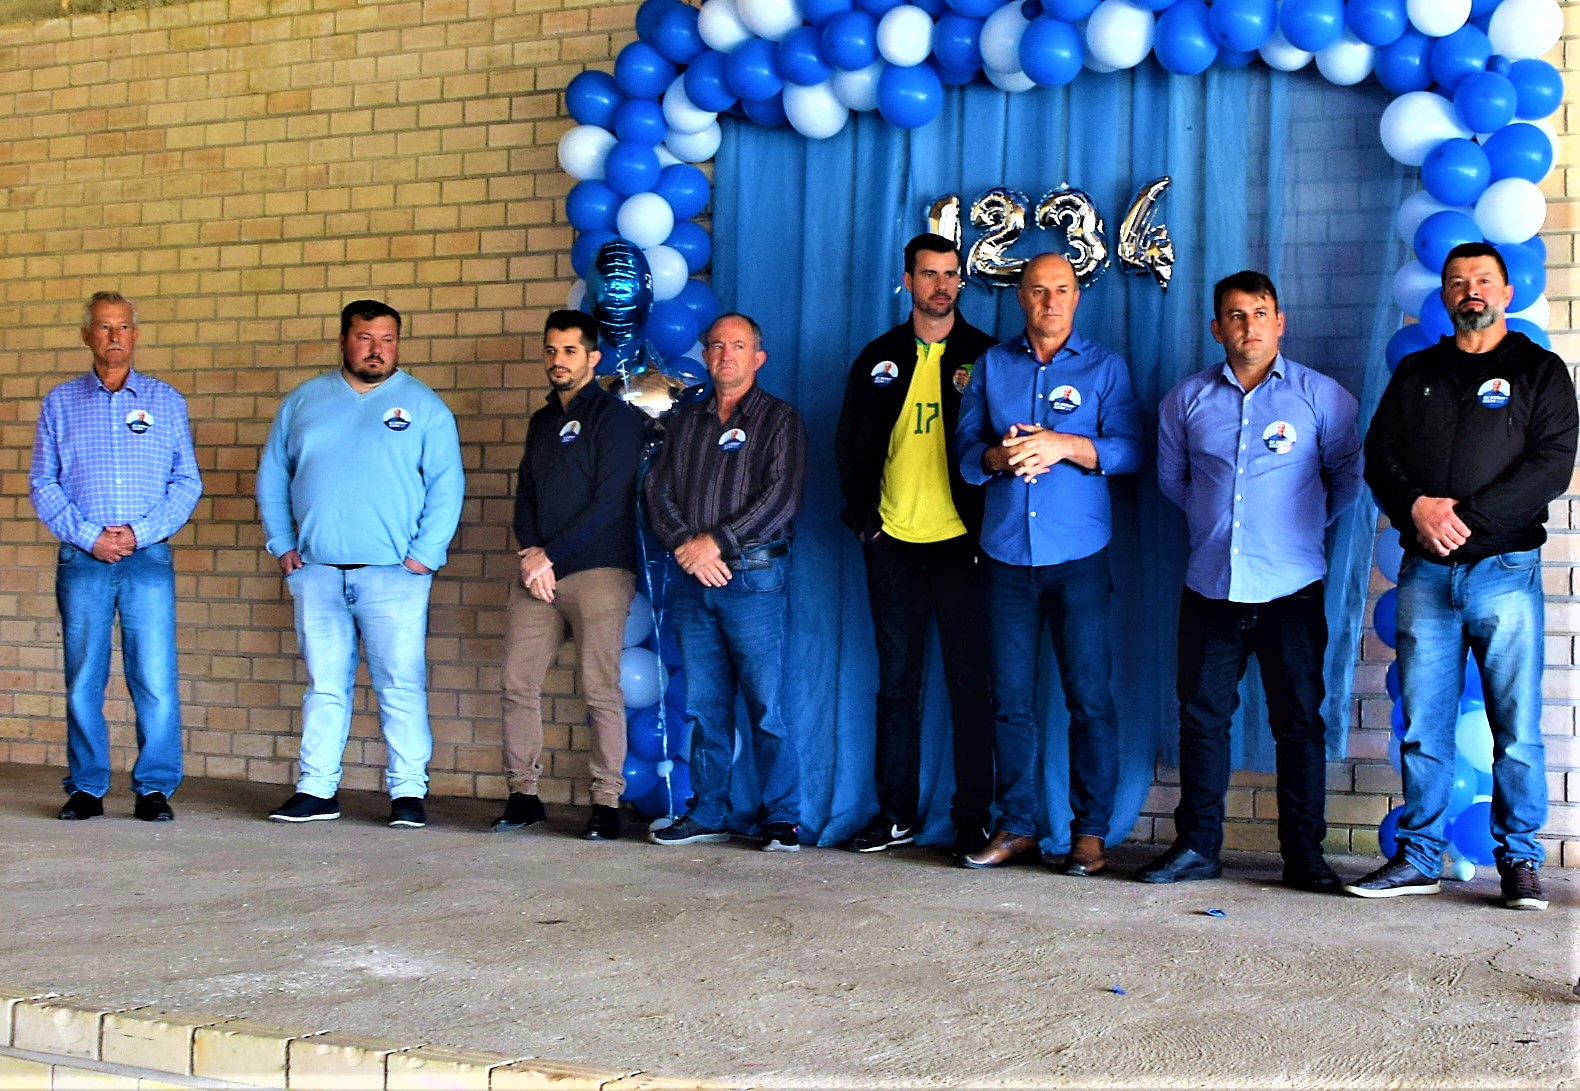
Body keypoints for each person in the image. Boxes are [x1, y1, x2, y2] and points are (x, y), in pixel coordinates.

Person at [1350, 242, 1577, 909]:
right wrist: (1416, 509)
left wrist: (1466, 519)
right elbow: (1379, 456)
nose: (1469, 289)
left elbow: (1551, 465)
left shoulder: (1539, 371)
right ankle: (1419, 857)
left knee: (1518, 729)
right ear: (1445, 296)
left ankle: (1521, 861)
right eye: (1457, 280)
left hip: (1505, 572)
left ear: (1506, 292)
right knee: (1424, 726)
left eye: (1482, 279)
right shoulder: (1417, 370)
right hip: (1425, 574)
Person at [1141, 271, 1363, 891]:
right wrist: (1220, 529)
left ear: (1280, 321)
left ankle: (1305, 856)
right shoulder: (1185, 401)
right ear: (1217, 328)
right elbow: (1174, 482)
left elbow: (1346, 479)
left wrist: (1296, 529)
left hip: (1292, 588)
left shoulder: (1323, 397)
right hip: (1210, 586)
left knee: (1299, 723)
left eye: (1260, 313)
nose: (1249, 326)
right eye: (1236, 316)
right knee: (1201, 720)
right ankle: (1197, 847)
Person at [954, 253, 1141, 873]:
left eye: (1061, 289)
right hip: (1005, 557)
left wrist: (1063, 444)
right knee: (1010, 700)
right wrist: (999, 458)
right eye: (1038, 290)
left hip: (1078, 557)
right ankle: (1017, 826)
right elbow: (965, 455)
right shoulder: (991, 365)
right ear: (1020, 297)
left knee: (1089, 699)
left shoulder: (1105, 366)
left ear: (1077, 296)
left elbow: (1130, 452)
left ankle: (1090, 834)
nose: (1050, 301)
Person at [257, 300, 465, 830]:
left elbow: (447, 485)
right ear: (344, 340)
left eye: (387, 339)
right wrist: (283, 546)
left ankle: (408, 792)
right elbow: (273, 476)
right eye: (365, 337)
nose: (377, 349)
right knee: (324, 685)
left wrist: (425, 556)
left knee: (400, 684)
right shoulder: (304, 401)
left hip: (395, 576)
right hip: (317, 572)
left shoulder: (424, 406)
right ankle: (317, 789)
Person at [834, 233, 998, 857]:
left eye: (951, 274)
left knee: (969, 686)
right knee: (896, 685)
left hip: (962, 547)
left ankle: (972, 819)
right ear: (908, 281)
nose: (941, 285)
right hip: (893, 544)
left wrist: (985, 533)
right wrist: (864, 522)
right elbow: (848, 444)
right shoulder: (878, 357)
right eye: (929, 274)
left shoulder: (986, 356)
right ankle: (895, 813)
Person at [29, 291, 203, 822]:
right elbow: (43, 483)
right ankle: (86, 787)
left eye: (123, 327)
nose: (114, 337)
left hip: (146, 558)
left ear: (135, 334)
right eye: (104, 327)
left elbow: (186, 481)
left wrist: (139, 533)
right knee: (84, 676)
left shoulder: (165, 401)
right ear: (87, 335)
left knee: (154, 677)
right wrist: (90, 537)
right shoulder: (60, 403)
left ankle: (154, 789)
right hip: (83, 559)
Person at [643, 313, 808, 851]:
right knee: (705, 706)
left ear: (758, 358)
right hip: (694, 582)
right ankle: (709, 810)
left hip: (755, 580)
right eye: (716, 345)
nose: (725, 354)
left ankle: (782, 817)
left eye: (737, 346)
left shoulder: (779, 420)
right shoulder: (685, 421)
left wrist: (716, 543)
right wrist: (686, 548)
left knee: (767, 707)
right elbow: (656, 492)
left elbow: (781, 497)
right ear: (707, 356)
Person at [496, 310, 645, 841]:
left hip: (598, 570)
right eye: (551, 350)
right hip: (539, 573)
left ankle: (606, 802)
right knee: (516, 682)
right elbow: (525, 495)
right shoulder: (542, 421)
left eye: (570, 351)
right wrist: (530, 553)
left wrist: (549, 556)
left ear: (593, 358)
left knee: (599, 688)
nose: (558, 360)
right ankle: (524, 796)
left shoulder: (617, 418)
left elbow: (610, 503)